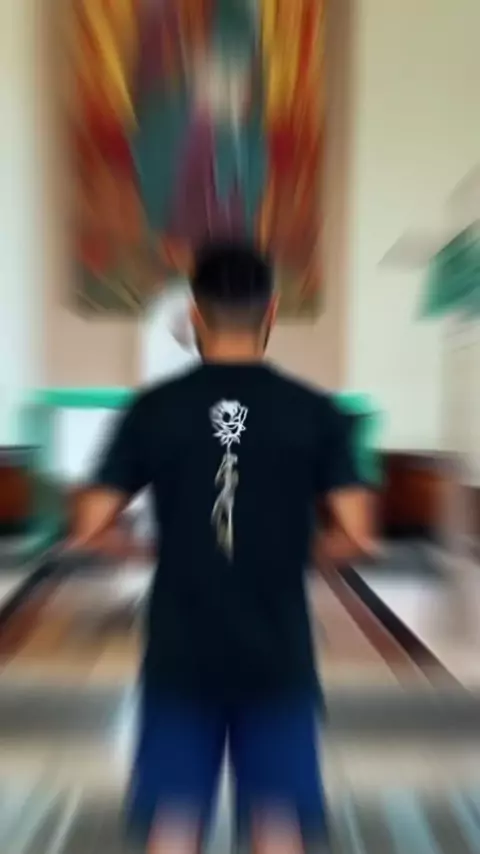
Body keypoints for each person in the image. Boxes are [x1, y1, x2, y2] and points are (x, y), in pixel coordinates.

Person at [72, 241, 375, 854]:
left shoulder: (152, 409)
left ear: (194, 314)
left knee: (174, 822)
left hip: (180, 655)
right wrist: (297, 551)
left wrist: (153, 552)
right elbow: (357, 533)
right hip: (278, 655)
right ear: (272, 310)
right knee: (278, 823)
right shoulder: (316, 412)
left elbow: (90, 525)